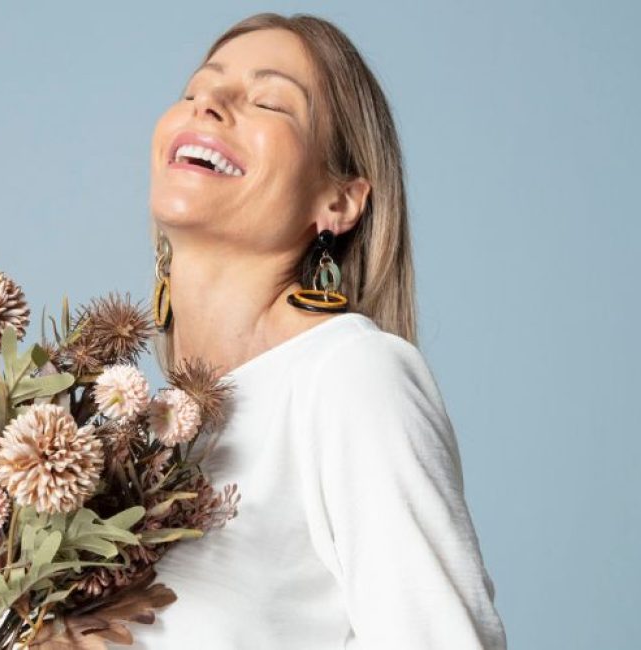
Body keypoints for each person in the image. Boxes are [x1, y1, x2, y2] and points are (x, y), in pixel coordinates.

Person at [133, 12, 508, 649]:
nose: (210, 107)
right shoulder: (133, 435)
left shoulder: (351, 377)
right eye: (195, 91)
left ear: (338, 201)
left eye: (269, 101)